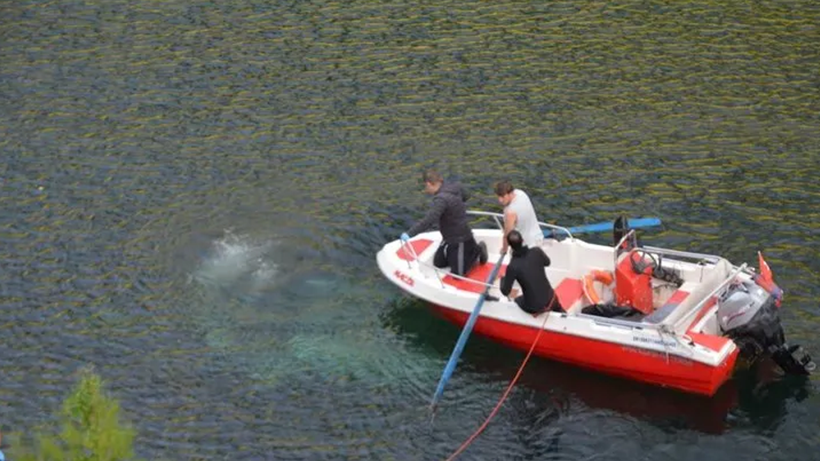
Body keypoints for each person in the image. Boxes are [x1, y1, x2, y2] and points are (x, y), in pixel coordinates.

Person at [401, 170, 488, 276]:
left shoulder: (441, 200)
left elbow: (428, 221)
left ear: (429, 184)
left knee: (458, 274)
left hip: (461, 238)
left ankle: (478, 250)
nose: (426, 189)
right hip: (449, 237)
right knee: (439, 263)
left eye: (425, 186)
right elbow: (466, 196)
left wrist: (410, 233)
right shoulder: (455, 186)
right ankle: (455, 253)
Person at [499, 230, 563, 315]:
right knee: (557, 306)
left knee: (517, 300)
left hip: (535, 307)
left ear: (510, 246)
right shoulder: (536, 251)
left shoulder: (512, 266)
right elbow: (547, 262)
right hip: (551, 298)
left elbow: (505, 291)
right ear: (523, 240)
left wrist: (503, 279)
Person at [494, 180, 543, 254]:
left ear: (510, 193)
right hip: (538, 237)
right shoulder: (521, 193)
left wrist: (504, 250)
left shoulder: (510, 212)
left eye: (503, 196)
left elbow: (507, 235)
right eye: (498, 196)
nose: (500, 200)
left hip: (526, 247)